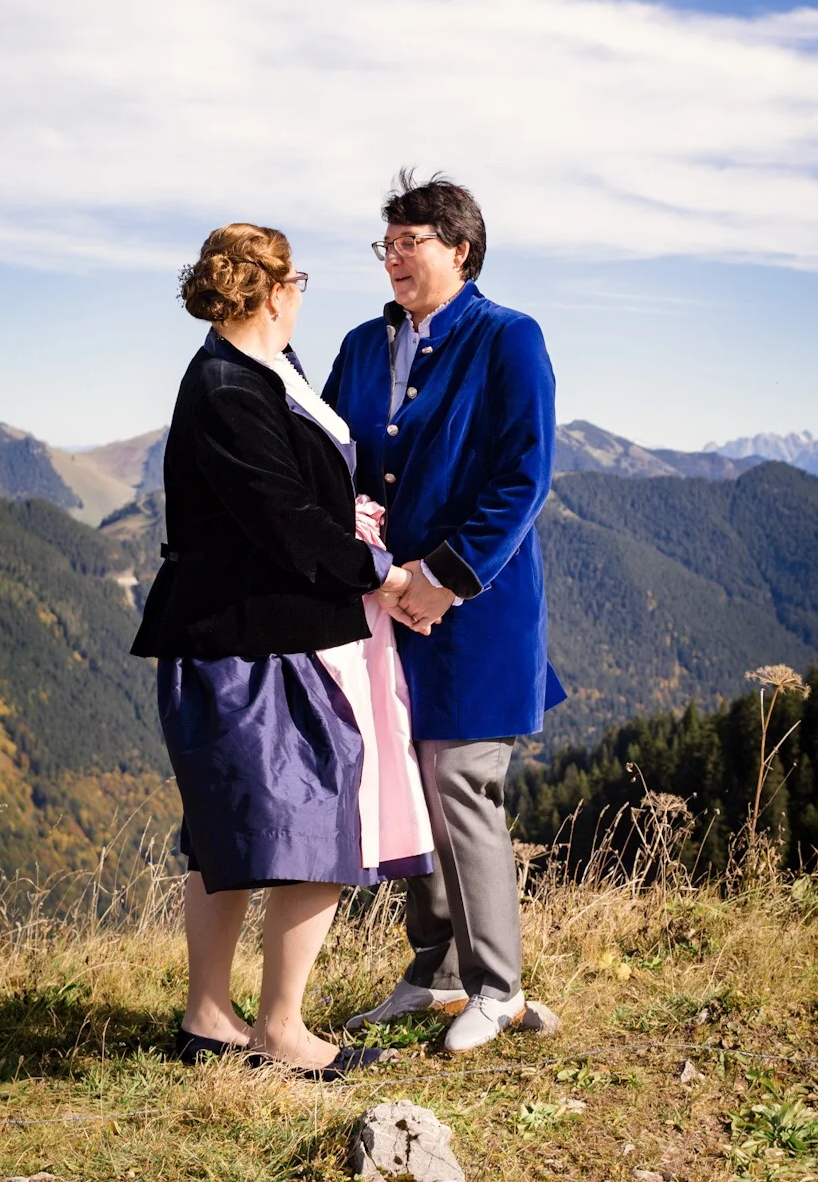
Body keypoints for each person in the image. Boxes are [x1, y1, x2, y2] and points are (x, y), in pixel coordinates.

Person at [130, 221, 437, 1081]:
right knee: (313, 822)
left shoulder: (271, 372)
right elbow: (284, 518)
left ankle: (208, 1017)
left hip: (256, 630)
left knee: (235, 829)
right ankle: (281, 1027)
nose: (305, 290)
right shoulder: (229, 385)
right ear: (273, 293)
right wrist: (380, 574)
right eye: (298, 277)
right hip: (244, 639)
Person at [324, 172, 565, 1055]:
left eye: (408, 242)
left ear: (459, 250)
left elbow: (523, 477)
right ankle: (435, 968)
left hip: (477, 609)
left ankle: (497, 986)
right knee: (401, 783)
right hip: (383, 606)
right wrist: (369, 557)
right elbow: (337, 458)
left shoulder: (508, 339)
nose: (392, 258)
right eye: (384, 244)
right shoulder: (358, 344)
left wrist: (444, 577)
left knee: (461, 785)